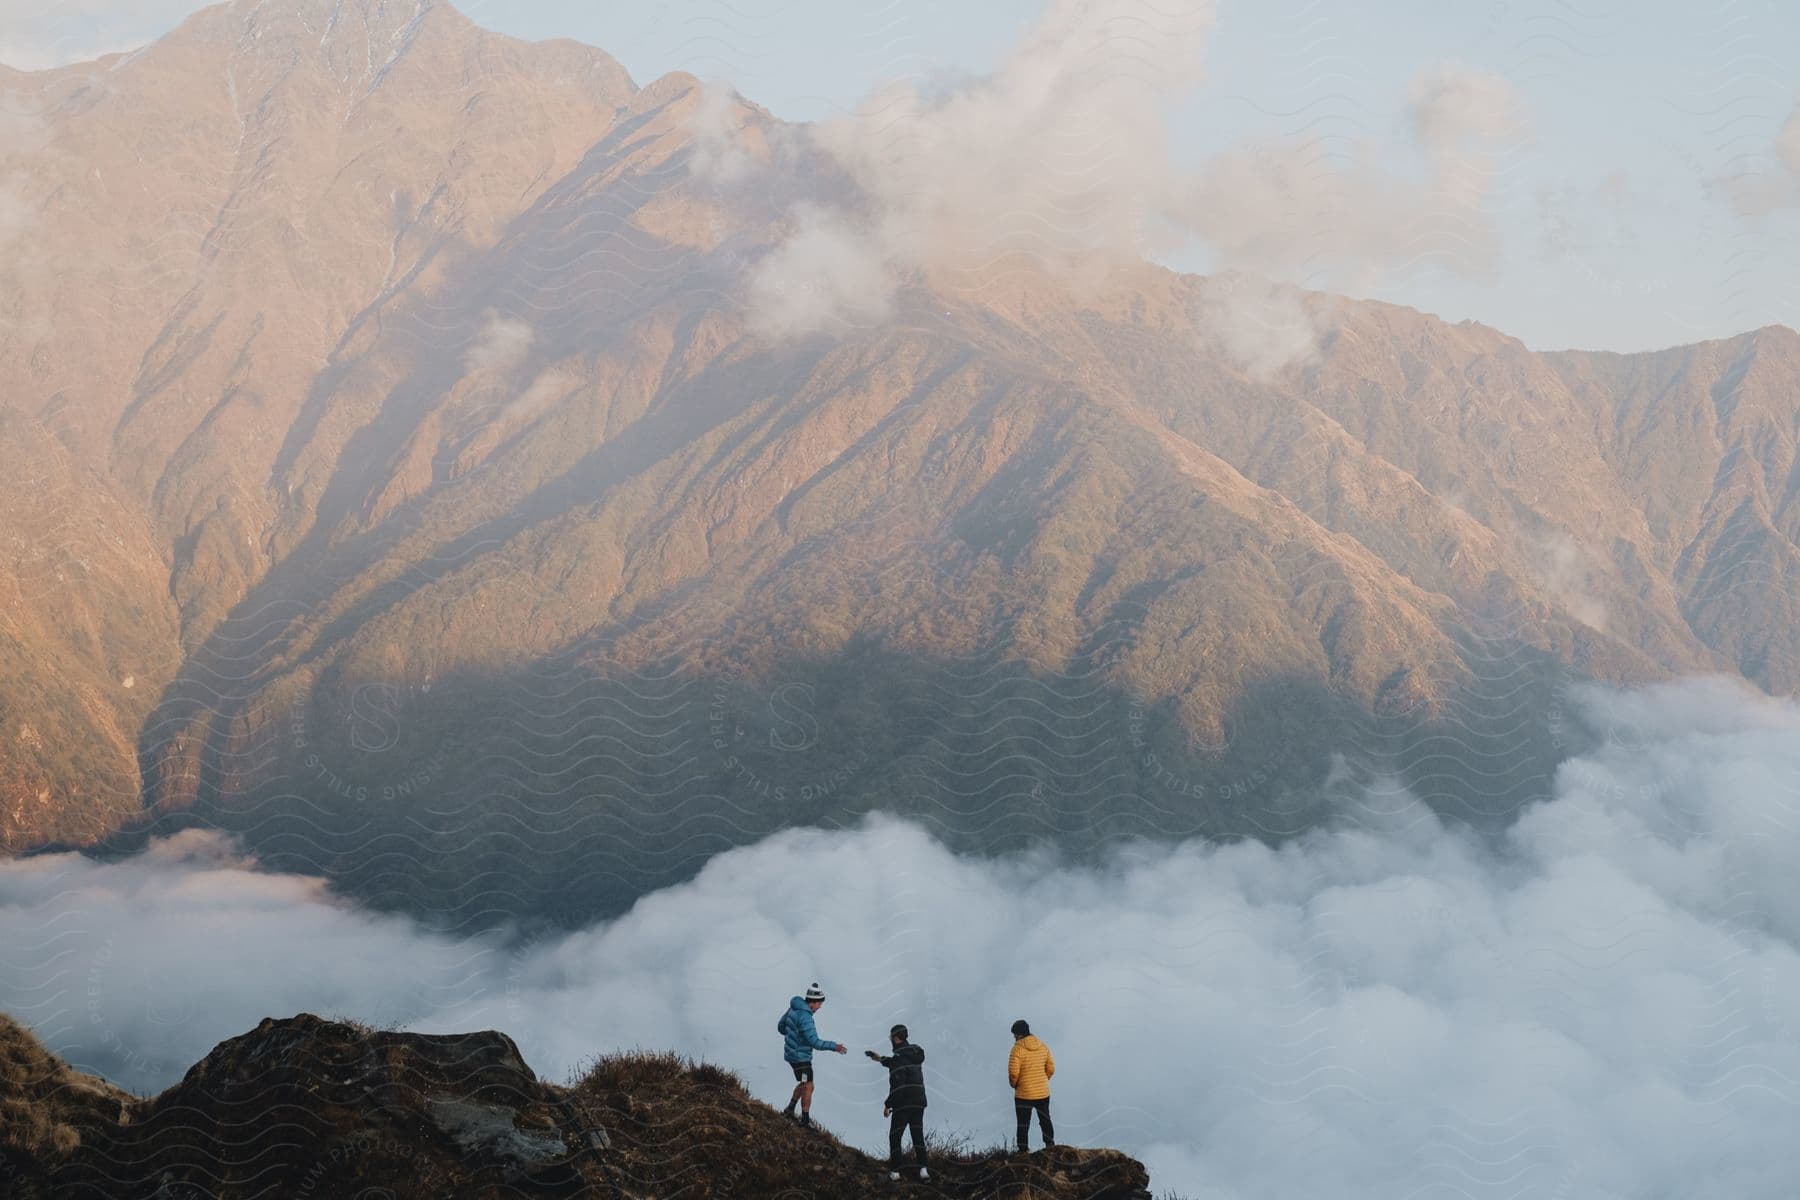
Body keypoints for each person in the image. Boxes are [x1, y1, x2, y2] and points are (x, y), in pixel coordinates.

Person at [866, 1023, 928, 1182]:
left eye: (890, 1037)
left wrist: (888, 1104)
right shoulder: (914, 1052)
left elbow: (898, 1084)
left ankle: (895, 1173)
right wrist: (879, 1058)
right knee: (917, 1136)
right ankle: (924, 1171)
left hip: (903, 1103)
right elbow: (897, 1061)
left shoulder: (899, 1058)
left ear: (895, 1038)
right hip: (919, 1101)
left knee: (895, 1137)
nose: (889, 1040)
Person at [778, 982, 846, 1127]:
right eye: (819, 1004)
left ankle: (789, 1110)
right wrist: (835, 1047)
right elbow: (815, 1042)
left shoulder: (793, 1008)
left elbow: (781, 1028)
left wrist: (794, 1034)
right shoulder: (806, 1017)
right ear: (812, 1002)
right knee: (808, 1086)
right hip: (800, 1058)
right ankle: (804, 1122)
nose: (820, 1007)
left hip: (791, 1055)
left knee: (805, 1083)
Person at [1008, 1019, 1055, 1152]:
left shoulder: (1017, 1049)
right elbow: (1051, 1068)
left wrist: (1015, 1085)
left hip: (1024, 1093)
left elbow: (1013, 1073)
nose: (1014, 1037)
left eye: (1015, 1034)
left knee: (1023, 1124)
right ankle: (1050, 1145)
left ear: (1020, 1034)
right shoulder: (1043, 1046)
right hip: (1042, 1092)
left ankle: (1023, 1151)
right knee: (1045, 1119)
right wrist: (1043, 1080)